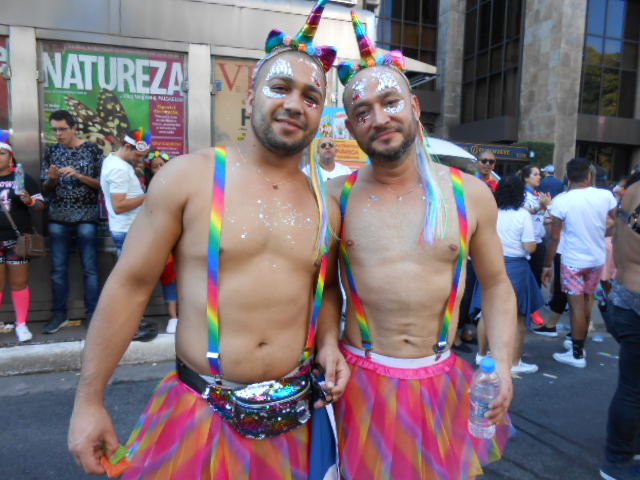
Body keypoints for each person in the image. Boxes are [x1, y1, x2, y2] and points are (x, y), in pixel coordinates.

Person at [69, 2, 348, 478]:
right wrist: (88, 400)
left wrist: (328, 342)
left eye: (311, 96)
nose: (295, 104)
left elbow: (322, 291)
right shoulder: (188, 179)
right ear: (250, 97)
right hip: (200, 417)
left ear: (321, 112)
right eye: (280, 87)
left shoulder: (328, 204)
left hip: (296, 419)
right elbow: (131, 285)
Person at [326, 12, 515, 479]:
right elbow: (326, 287)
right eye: (362, 112)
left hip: (442, 379)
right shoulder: (336, 198)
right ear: (351, 128)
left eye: (390, 102)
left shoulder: (468, 194)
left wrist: (505, 365)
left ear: (414, 105)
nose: (379, 118)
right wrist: (328, 343)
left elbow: (496, 285)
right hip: (360, 380)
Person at [542, 158, 617, 368]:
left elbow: (554, 238)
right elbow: (613, 222)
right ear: (589, 175)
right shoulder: (605, 195)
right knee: (587, 302)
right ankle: (578, 347)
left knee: (576, 307)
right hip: (596, 259)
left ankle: (577, 354)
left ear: (567, 177)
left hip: (573, 261)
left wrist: (547, 265)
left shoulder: (561, 201)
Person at [472, 176, 544, 374]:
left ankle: (482, 354)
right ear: (520, 193)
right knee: (518, 316)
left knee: (487, 311)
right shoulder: (522, 215)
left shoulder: (491, 213)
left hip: (490, 263)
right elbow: (530, 245)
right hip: (516, 267)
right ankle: (514, 362)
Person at [41, 109, 103, 333]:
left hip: (87, 216)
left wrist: (78, 175)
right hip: (58, 217)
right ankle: (59, 315)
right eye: (55, 129)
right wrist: (51, 180)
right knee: (57, 270)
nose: (58, 134)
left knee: (90, 270)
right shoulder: (52, 152)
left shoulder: (92, 150)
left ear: (74, 127)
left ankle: (93, 315)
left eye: (62, 129)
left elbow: (102, 185)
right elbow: (45, 190)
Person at [600, 180, 640, 480]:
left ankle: (620, 455)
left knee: (631, 386)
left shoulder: (634, 188)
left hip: (624, 296)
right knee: (632, 388)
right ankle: (617, 461)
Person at [0, 131, 45, 342]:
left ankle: (21, 324)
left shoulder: (22, 178)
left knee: (19, 284)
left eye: (1, 153)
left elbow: (40, 206)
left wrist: (28, 201)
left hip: (17, 241)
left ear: (10, 156)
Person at [147, 150, 179, 334]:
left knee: (184, 276)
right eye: (155, 166)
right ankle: (172, 316)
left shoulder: (180, 186)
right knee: (169, 277)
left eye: (162, 165)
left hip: (181, 238)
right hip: (161, 239)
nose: (159, 169)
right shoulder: (150, 189)